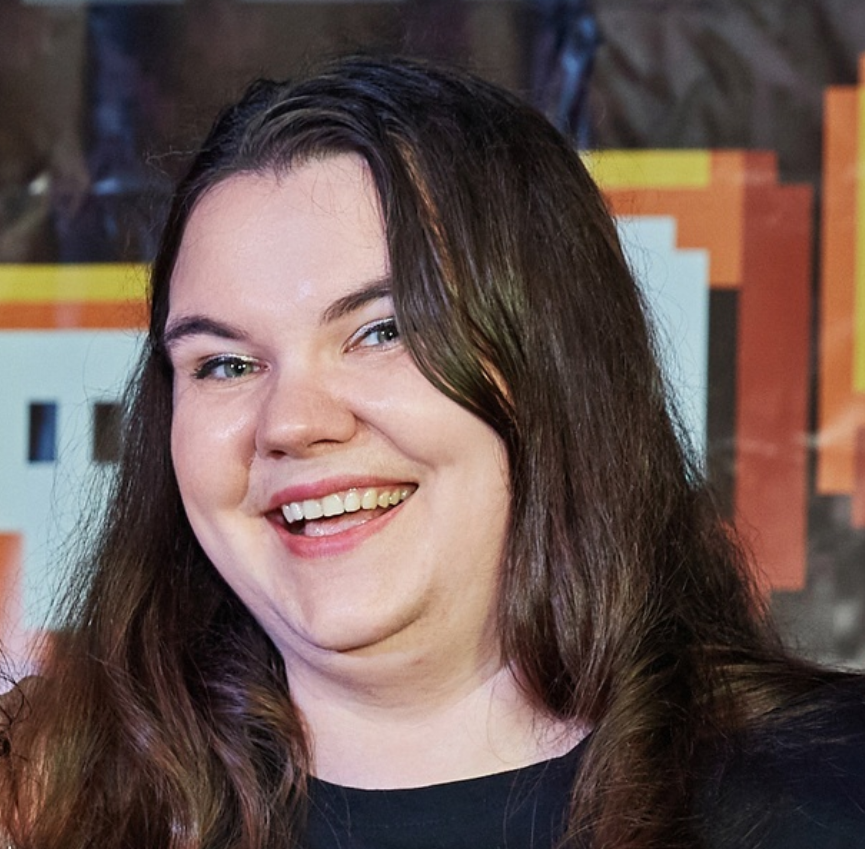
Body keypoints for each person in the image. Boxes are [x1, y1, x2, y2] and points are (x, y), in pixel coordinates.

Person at [2, 54, 864, 849]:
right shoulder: (42, 809)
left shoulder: (832, 792)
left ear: (555, 365)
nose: (291, 422)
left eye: (383, 330)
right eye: (224, 363)